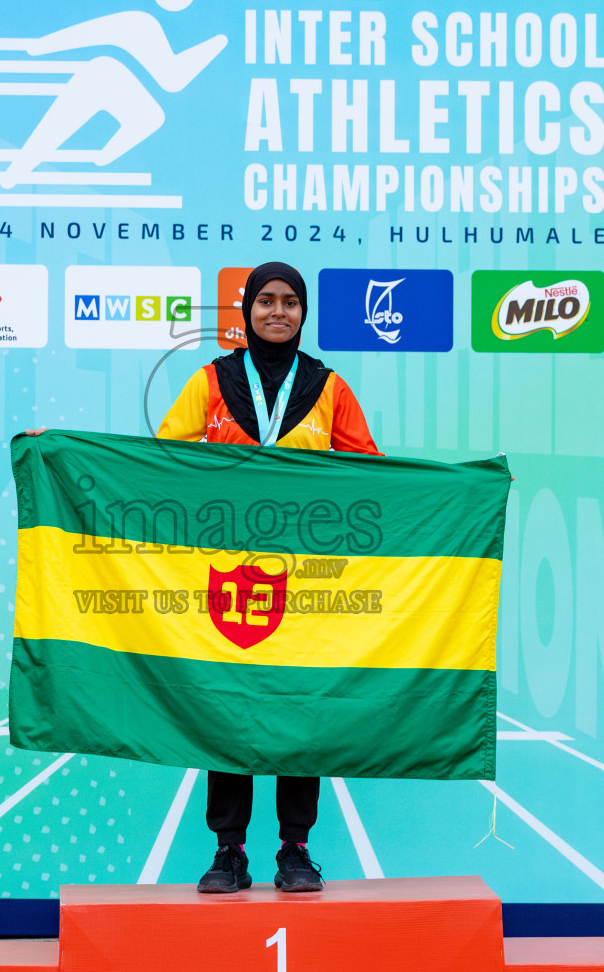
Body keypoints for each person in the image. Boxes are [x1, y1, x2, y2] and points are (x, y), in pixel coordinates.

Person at [154, 261, 382, 893]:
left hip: (304, 584)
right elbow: (159, 461)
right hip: (227, 578)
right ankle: (228, 851)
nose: (277, 311)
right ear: (246, 310)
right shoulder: (211, 380)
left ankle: (295, 850)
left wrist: (462, 490)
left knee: (298, 713)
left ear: (303, 313)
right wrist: (62, 448)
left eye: (290, 302)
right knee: (226, 710)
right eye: (266, 301)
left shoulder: (328, 386)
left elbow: (372, 475)